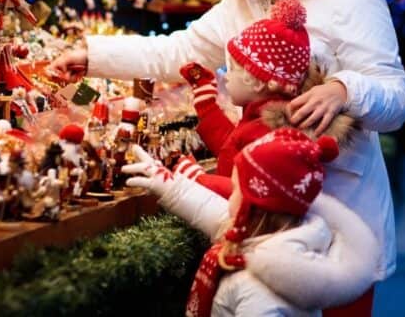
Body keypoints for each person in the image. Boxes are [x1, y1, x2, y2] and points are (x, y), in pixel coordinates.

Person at [51, 0, 405, 313]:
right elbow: (181, 50)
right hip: (264, 223)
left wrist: (343, 89)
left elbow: (396, 98)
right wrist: (92, 55)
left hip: (339, 220)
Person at [122, 128, 379, 316]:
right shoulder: (276, 239)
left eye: (236, 190)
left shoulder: (259, 288)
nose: (230, 195)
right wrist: (169, 184)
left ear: (254, 207)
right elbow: (212, 211)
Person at [178, 0, 357, 197]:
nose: (226, 76)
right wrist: (207, 105)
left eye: (234, 69)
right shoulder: (260, 117)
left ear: (258, 81)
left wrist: (196, 179)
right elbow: (232, 148)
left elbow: (245, 192)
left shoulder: (266, 133)